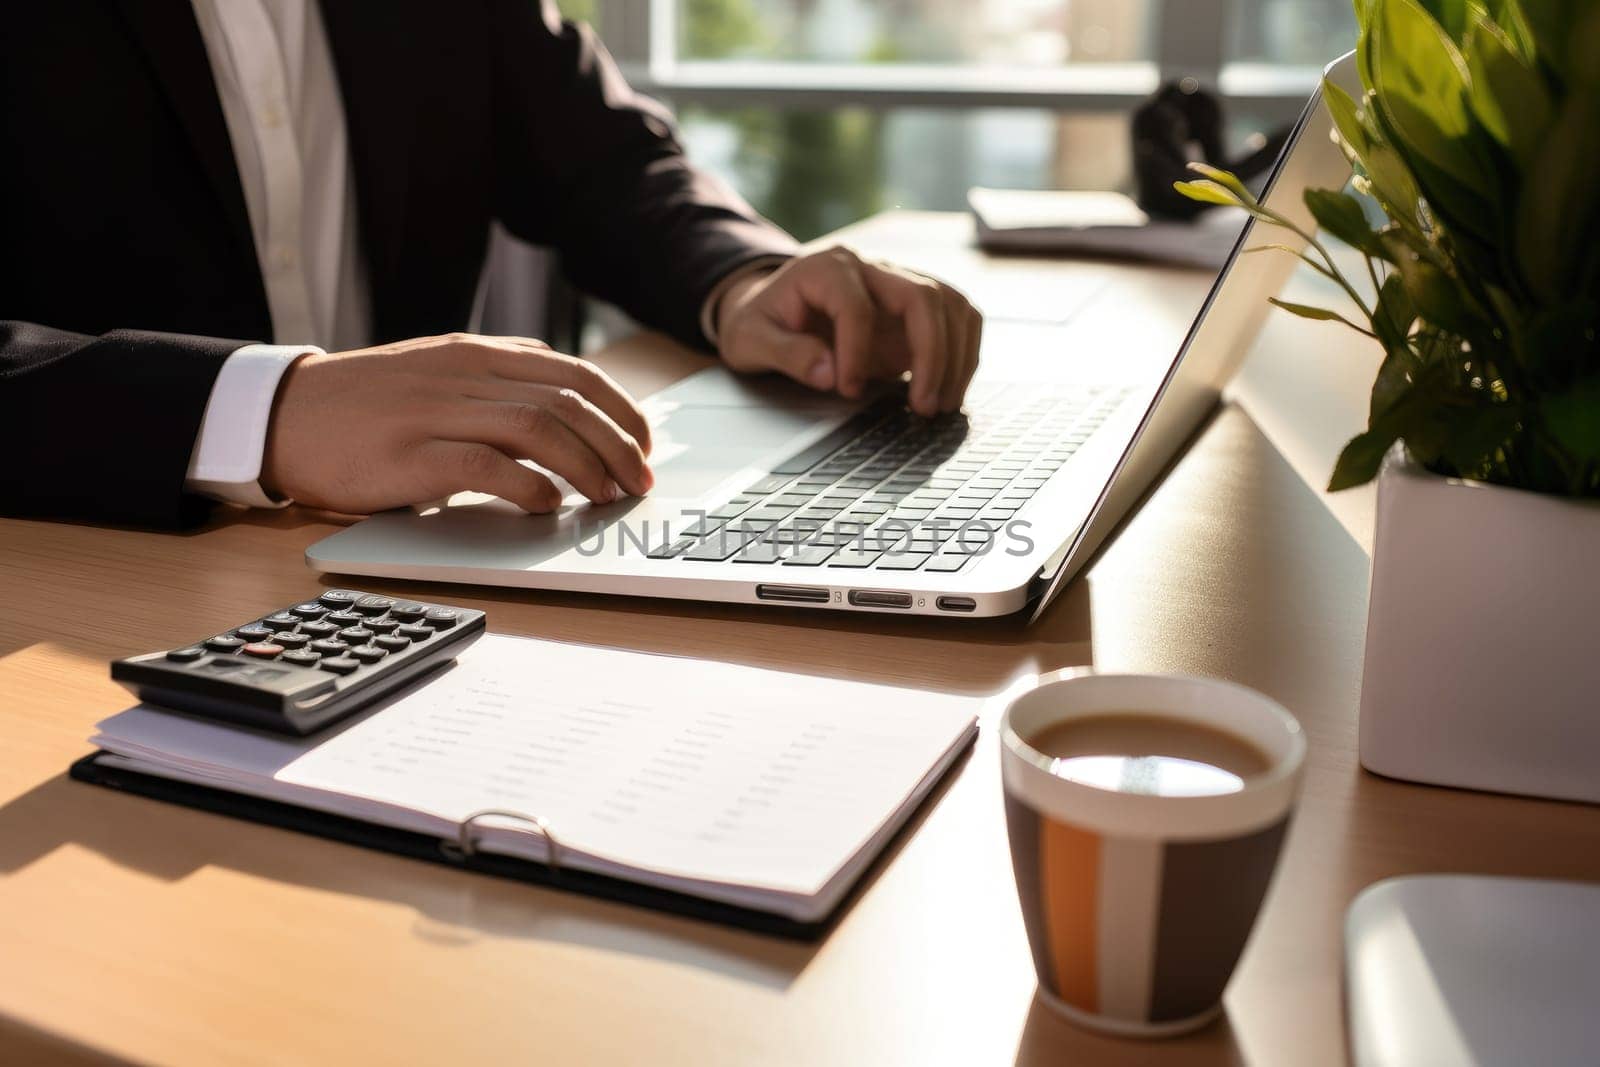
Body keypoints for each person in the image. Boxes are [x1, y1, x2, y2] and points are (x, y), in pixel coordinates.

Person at [0, 1, 981, 529]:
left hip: (410, 570)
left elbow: (606, 165)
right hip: (78, 598)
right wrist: (259, 410)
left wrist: (745, 280)